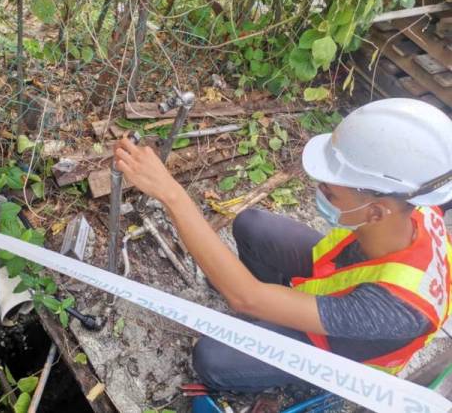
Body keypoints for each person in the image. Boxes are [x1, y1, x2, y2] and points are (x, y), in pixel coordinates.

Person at [112, 98, 452, 392]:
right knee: (252, 225)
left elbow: (244, 296)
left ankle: (278, 340)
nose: (320, 191)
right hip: (341, 279)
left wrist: (171, 194)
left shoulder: (393, 309)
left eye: (331, 191)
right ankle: (273, 313)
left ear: (376, 211)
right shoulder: (415, 206)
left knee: (212, 359)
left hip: (337, 348)